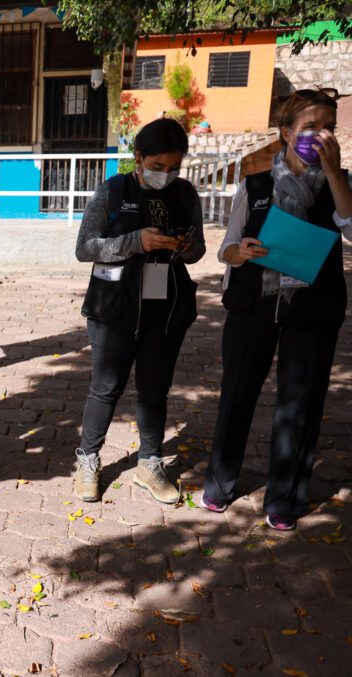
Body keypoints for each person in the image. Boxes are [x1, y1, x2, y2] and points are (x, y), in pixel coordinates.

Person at [201, 88, 352, 530]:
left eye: (329, 128)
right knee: (237, 393)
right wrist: (240, 252)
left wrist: (333, 172)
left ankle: (285, 499)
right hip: (253, 303)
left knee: (301, 401)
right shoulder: (255, 185)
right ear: (285, 133)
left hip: (314, 307)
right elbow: (226, 249)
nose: (320, 136)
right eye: (310, 127)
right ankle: (219, 484)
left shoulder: (343, 184)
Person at [73, 118, 206, 505]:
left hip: (165, 305)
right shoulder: (114, 190)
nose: (166, 175)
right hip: (113, 306)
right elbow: (85, 248)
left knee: (154, 387)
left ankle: (149, 463)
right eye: (158, 166)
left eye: (174, 167)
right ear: (138, 157)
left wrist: (184, 247)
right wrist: (135, 241)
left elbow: (197, 252)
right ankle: (88, 460)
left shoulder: (185, 194)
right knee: (105, 387)